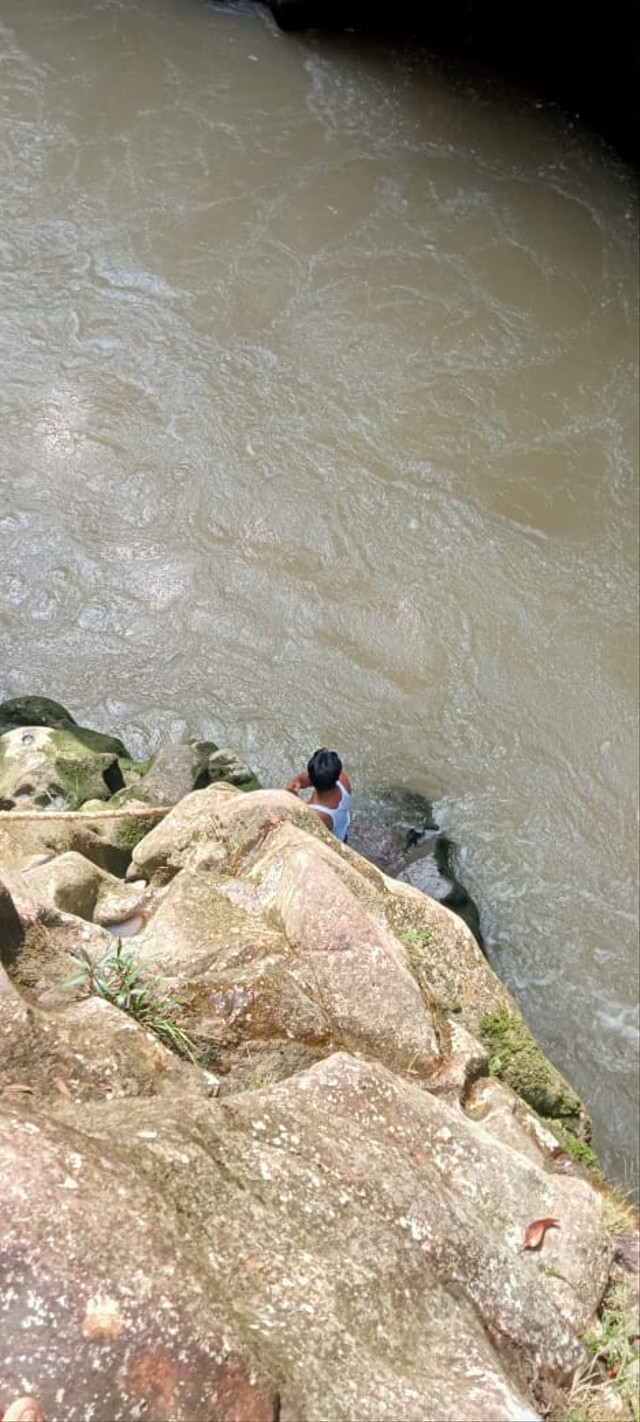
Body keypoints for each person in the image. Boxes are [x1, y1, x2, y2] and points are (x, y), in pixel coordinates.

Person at [285, 747, 352, 842]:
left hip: (335, 842)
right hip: (342, 830)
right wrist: (299, 781)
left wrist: (290, 795)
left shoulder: (318, 815)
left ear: (311, 779)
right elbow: (301, 780)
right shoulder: (342, 779)